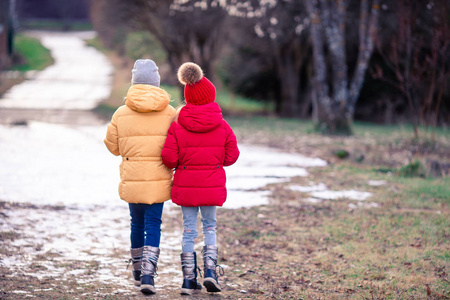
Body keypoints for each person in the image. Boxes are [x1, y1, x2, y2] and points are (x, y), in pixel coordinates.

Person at [161, 62, 240, 295]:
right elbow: (232, 156)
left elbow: (169, 159)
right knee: (210, 227)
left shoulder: (177, 125)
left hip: (186, 188)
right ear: (211, 96)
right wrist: (214, 162)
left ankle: (187, 280)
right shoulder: (222, 125)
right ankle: (211, 273)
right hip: (211, 186)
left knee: (188, 230)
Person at [104, 59, 176, 295]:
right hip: (159, 179)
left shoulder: (120, 113)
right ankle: (148, 275)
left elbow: (113, 148)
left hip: (133, 177)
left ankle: (137, 271)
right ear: (156, 82)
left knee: (136, 223)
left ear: (134, 81)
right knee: (154, 224)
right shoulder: (170, 113)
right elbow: (177, 147)